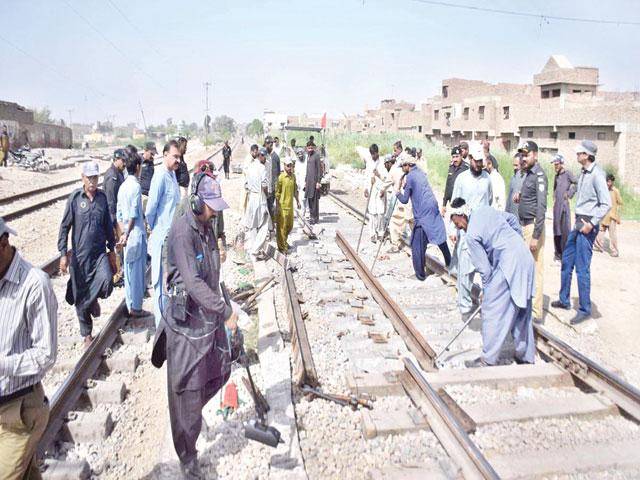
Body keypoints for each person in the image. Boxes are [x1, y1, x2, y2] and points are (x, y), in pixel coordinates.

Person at [151, 174, 237, 479]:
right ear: (197, 202)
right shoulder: (181, 232)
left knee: (222, 369)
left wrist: (219, 305)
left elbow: (210, 273)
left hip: (206, 319)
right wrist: (224, 310)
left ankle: (191, 419)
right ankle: (187, 458)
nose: (215, 212)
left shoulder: (206, 225)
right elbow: (193, 281)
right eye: (211, 207)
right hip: (185, 326)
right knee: (186, 393)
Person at [0, 219, 57, 480]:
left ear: (3, 245)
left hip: (20, 411)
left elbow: (46, 354)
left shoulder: (34, 284)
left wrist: (4, 364)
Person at [449, 200, 535, 368]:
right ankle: (526, 356)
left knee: (491, 309)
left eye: (456, 222)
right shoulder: (485, 210)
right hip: (524, 256)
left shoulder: (471, 236)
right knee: (522, 310)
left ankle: (488, 359)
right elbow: (511, 219)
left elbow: (485, 271)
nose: (457, 227)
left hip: (508, 263)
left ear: (461, 215)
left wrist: (487, 293)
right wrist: (514, 241)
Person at [551, 140, 611, 325]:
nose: (577, 156)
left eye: (579, 153)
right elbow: (576, 188)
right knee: (566, 261)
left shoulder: (597, 175)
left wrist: (591, 224)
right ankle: (564, 299)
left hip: (587, 224)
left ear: (587, 155)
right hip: (578, 222)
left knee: (582, 268)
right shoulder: (584, 173)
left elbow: (606, 203)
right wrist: (568, 194)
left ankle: (585, 309)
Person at [58, 162, 117, 347]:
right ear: (82, 178)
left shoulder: (102, 198)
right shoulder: (75, 199)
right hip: (80, 257)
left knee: (107, 281)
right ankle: (87, 335)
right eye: (89, 177)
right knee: (79, 295)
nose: (92, 181)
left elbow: (108, 225)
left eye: (95, 177)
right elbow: (65, 226)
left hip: (99, 255)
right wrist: (62, 253)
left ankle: (93, 301)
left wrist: (112, 249)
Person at [449, 143, 492, 320]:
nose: (478, 164)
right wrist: (453, 229)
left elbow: (489, 202)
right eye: (476, 161)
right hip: (464, 229)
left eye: (481, 161)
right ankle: (464, 305)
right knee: (464, 269)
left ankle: (485, 303)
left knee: (481, 266)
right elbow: (454, 205)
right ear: (470, 159)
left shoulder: (487, 180)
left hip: (481, 230)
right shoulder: (461, 179)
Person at [396, 156, 451, 280]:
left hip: (423, 213)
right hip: (432, 207)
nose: (402, 169)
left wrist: (397, 191)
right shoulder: (420, 173)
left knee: (417, 244)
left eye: (403, 167)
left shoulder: (410, 176)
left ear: (407, 165)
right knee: (438, 235)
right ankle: (450, 264)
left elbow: (404, 200)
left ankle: (420, 275)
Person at [146, 140, 181, 327]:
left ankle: (169, 327)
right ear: (165, 154)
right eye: (175, 156)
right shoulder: (159, 176)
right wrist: (158, 230)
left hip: (173, 240)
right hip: (162, 240)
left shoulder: (172, 175)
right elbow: (150, 210)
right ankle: (161, 331)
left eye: (179, 157)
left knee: (171, 283)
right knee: (161, 286)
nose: (178, 160)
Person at [515, 141, 547, 324]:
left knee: (535, 269)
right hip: (526, 226)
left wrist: (536, 235)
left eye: (526, 155)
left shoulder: (539, 175)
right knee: (527, 267)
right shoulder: (529, 175)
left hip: (533, 227)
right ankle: (528, 305)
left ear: (535, 155)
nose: (523, 158)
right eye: (521, 155)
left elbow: (541, 208)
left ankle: (535, 313)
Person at [117, 154, 147, 317]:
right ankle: (136, 308)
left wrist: (122, 234)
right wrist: (128, 233)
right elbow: (134, 214)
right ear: (137, 167)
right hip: (135, 235)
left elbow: (119, 214)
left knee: (128, 271)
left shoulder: (122, 187)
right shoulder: (135, 187)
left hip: (126, 237)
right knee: (137, 272)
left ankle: (130, 304)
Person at [105, 149, 127, 287]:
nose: (124, 163)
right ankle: (117, 277)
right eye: (122, 160)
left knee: (120, 248)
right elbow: (111, 201)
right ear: (116, 159)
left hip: (118, 215)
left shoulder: (118, 173)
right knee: (118, 247)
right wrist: (113, 223)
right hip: (114, 217)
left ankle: (120, 274)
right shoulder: (112, 175)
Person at [244, 148, 271, 259]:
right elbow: (264, 184)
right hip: (260, 196)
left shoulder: (249, 167)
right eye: (264, 156)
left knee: (253, 224)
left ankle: (254, 248)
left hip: (251, 196)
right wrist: (267, 194)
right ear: (261, 156)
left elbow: (245, 185)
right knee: (264, 224)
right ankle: (255, 250)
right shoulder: (262, 168)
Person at [388, 141, 414, 253]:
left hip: (404, 197)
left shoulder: (401, 161)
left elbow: (393, 177)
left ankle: (395, 245)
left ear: (399, 149)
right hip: (412, 199)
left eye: (395, 150)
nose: (394, 153)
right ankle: (420, 243)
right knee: (413, 223)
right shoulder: (407, 159)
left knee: (394, 222)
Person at [551, 154, 577, 261]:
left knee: (565, 230)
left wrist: (569, 193)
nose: (556, 166)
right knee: (556, 229)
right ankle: (558, 254)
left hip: (565, 205)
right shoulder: (556, 176)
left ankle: (566, 255)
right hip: (557, 206)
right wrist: (554, 198)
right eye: (554, 165)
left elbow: (577, 183)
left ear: (561, 163)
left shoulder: (568, 174)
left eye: (557, 164)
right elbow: (554, 188)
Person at [368, 151, 395, 243]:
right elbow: (368, 177)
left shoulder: (385, 167)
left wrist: (383, 189)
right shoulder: (369, 163)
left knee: (381, 213)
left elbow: (386, 180)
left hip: (382, 192)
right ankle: (372, 233)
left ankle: (380, 233)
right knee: (372, 213)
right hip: (373, 191)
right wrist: (367, 187)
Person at [275, 158, 300, 253]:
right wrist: (277, 207)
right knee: (282, 228)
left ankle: (284, 242)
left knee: (290, 226)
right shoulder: (281, 177)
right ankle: (282, 248)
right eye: (288, 166)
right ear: (284, 166)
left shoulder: (293, 177)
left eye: (291, 166)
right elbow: (277, 193)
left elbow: (295, 190)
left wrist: (298, 201)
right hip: (282, 207)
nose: (290, 168)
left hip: (290, 207)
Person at [594, 174, 623, 257]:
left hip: (612, 216)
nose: (609, 183)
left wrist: (618, 216)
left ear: (612, 182)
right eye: (607, 181)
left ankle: (615, 251)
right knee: (600, 231)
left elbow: (620, 203)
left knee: (612, 234)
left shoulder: (615, 191)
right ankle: (598, 246)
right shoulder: (602, 190)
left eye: (610, 182)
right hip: (603, 215)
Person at [441, 146, 469, 216]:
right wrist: (444, 204)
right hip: (452, 203)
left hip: (463, 204)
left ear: (461, 156)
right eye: (453, 157)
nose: (455, 159)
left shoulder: (466, 168)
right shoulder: (451, 167)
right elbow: (448, 185)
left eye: (457, 156)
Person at [304, 141, 323, 224]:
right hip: (308, 182)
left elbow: (319, 170)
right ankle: (311, 216)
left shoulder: (316, 156)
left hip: (315, 182)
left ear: (313, 148)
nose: (310, 149)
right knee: (310, 199)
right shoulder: (308, 156)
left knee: (315, 201)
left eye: (311, 148)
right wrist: (305, 181)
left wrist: (318, 182)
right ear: (307, 148)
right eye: (309, 148)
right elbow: (307, 170)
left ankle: (315, 218)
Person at [263, 136, 281, 223]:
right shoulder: (263, 156)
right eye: (267, 144)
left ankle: (272, 225)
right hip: (264, 186)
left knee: (271, 205)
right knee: (265, 206)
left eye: (270, 143)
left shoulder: (276, 157)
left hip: (273, 187)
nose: (268, 145)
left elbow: (278, 174)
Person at [506, 152, 525, 218]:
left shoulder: (527, 179)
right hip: (511, 217)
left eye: (516, 165)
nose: (514, 168)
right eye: (513, 165)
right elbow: (509, 200)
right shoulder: (513, 178)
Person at [140, 142, 157, 211]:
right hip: (142, 194)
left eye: (154, 154)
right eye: (151, 154)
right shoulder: (138, 161)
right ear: (146, 150)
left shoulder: (151, 162)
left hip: (150, 194)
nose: (152, 156)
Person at [294, 146, 308, 219]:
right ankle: (302, 212)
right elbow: (296, 173)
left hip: (307, 181)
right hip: (300, 182)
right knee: (302, 198)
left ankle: (308, 213)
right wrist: (297, 182)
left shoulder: (307, 160)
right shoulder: (297, 162)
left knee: (308, 198)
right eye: (298, 155)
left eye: (301, 154)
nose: (300, 156)